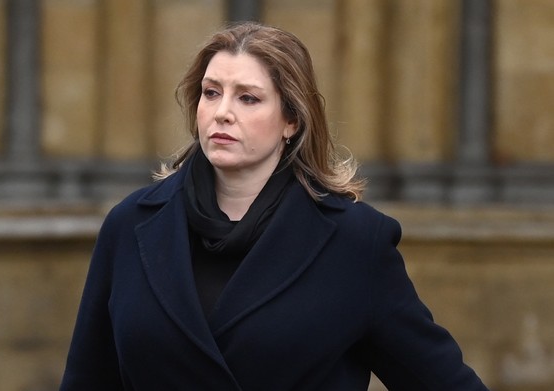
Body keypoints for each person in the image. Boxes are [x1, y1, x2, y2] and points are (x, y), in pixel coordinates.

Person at [59, 22, 489, 390]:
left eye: (248, 98)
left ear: (292, 120)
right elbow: (88, 379)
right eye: (211, 93)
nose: (222, 113)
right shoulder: (132, 224)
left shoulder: (355, 242)